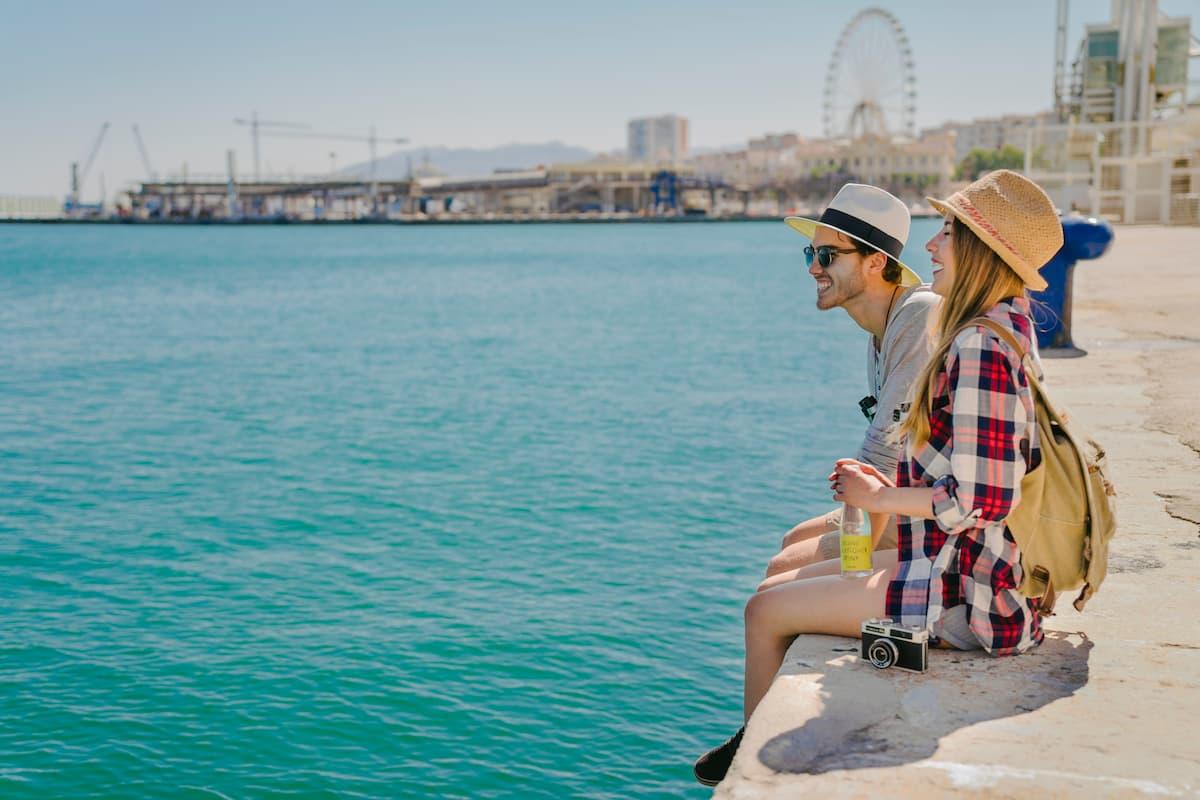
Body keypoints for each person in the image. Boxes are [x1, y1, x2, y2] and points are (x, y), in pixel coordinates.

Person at [693, 170, 1063, 787]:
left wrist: (873, 500)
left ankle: (752, 772)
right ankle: (759, 723)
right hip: (956, 560)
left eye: (947, 231)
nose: (932, 245)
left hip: (965, 586)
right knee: (784, 573)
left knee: (765, 611)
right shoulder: (991, 326)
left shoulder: (966, 340)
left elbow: (985, 497)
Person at [762, 184, 938, 588]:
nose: (813, 268)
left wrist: (850, 571)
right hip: (907, 501)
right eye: (811, 253)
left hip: (937, 515)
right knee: (791, 542)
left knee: (779, 578)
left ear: (876, 262)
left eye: (827, 255)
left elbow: (883, 457)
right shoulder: (882, 329)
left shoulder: (917, 318)